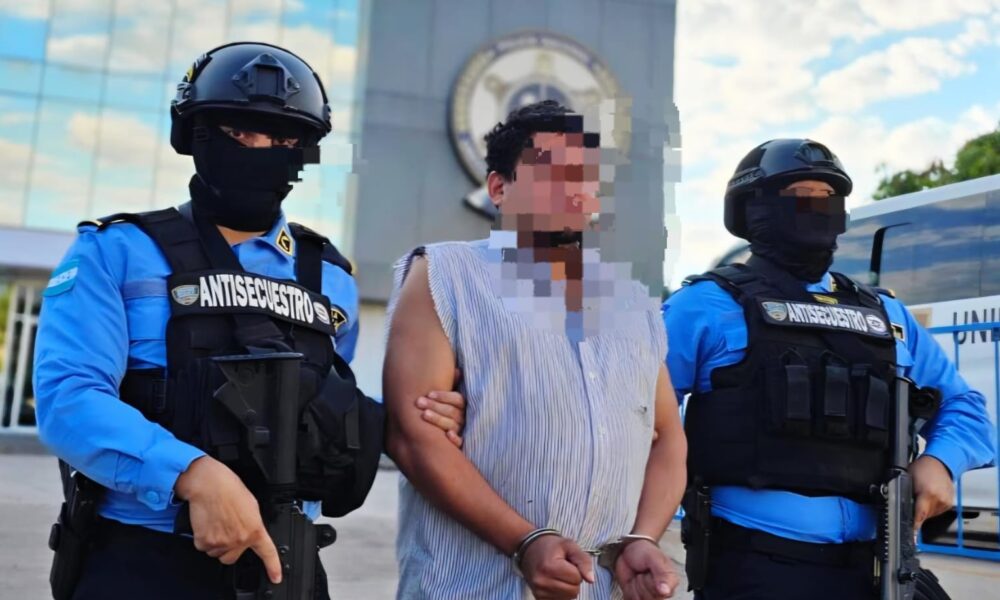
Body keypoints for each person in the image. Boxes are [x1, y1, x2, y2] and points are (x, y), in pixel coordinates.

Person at [34, 42, 463, 600]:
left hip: (286, 561)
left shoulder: (330, 276)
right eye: (239, 132)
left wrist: (423, 412)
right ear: (193, 135)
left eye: (283, 139)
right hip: (144, 558)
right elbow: (68, 400)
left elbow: (318, 409)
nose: (261, 150)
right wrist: (192, 474)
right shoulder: (116, 251)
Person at [663, 138, 997, 600]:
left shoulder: (887, 315)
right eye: (801, 196)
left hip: (879, 566)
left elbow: (966, 406)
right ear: (753, 210)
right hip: (756, 564)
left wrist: (941, 461)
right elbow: (639, 420)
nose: (818, 210)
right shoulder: (703, 306)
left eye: (829, 198)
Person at [384, 100, 688, 600]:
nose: (574, 187)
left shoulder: (633, 303)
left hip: (600, 588)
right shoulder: (445, 274)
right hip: (471, 587)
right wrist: (524, 541)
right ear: (499, 188)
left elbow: (667, 437)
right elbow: (413, 438)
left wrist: (642, 537)